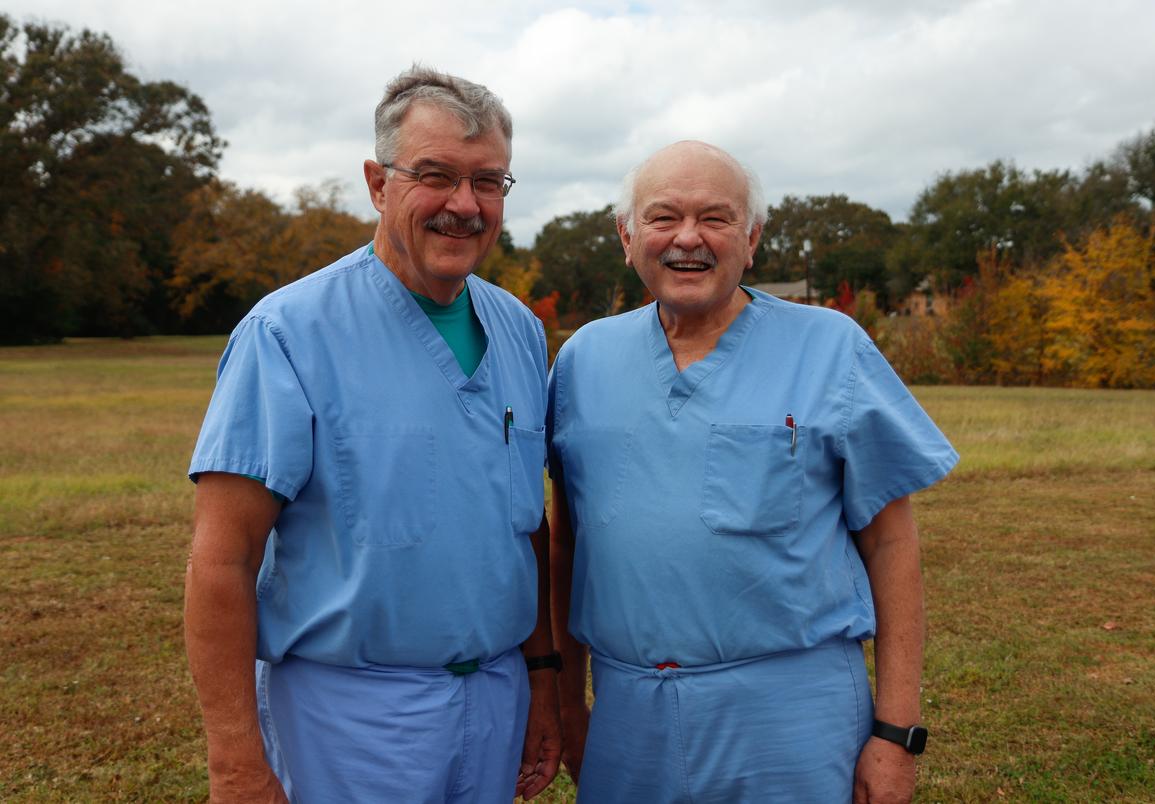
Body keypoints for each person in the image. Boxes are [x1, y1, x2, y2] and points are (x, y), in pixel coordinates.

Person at [184, 65, 560, 803]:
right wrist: (234, 759)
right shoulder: (288, 333)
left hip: (493, 697)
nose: (464, 204)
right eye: (435, 175)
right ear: (378, 183)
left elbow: (526, 528)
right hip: (347, 716)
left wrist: (541, 681)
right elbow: (222, 559)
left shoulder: (519, 331)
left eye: (489, 181)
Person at [547, 141, 958, 803]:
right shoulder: (583, 360)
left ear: (753, 237)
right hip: (630, 719)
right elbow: (569, 545)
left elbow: (890, 542)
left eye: (716, 218)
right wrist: (569, 705)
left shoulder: (829, 346)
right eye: (662, 217)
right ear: (626, 236)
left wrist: (897, 729)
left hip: (792, 718)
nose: (688, 238)